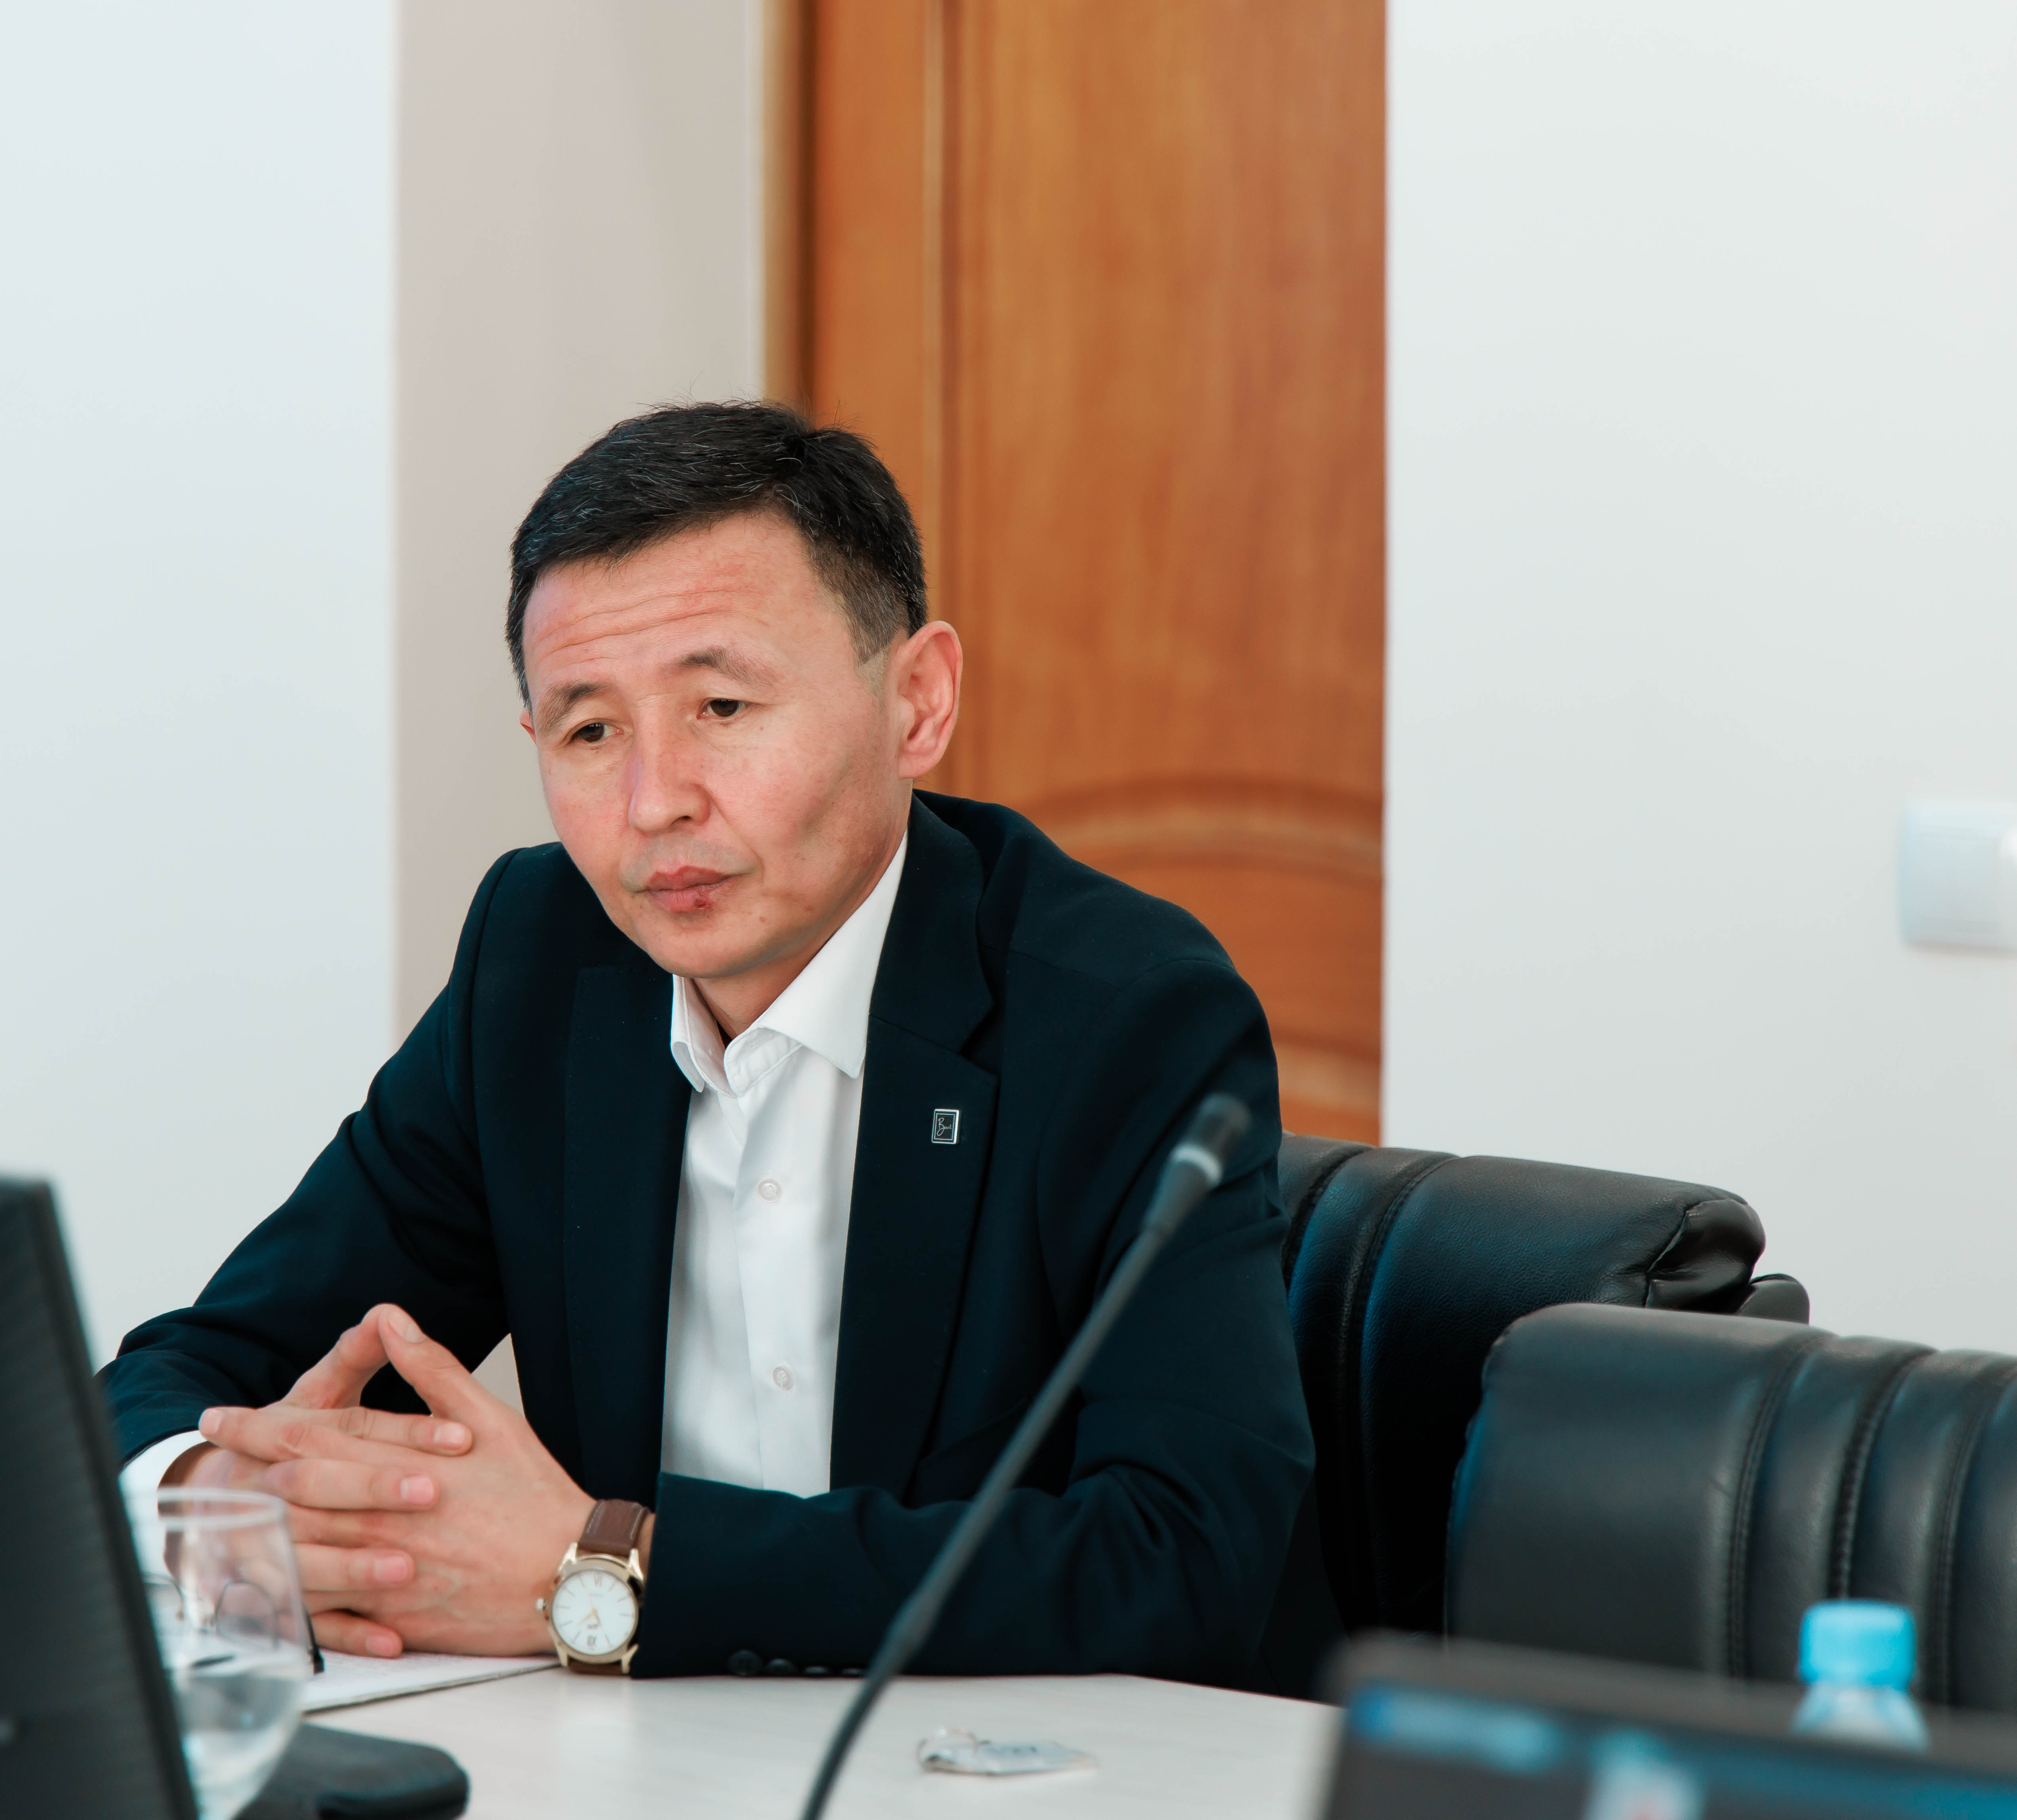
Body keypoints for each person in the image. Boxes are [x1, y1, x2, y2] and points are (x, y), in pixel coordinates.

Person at [100, 401, 1311, 1680]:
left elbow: (1188, 1552)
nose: (653, 802)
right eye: (590, 730)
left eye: (722, 706)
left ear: (916, 701)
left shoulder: (1121, 1009)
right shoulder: (541, 963)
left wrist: (606, 1567)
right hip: (635, 1754)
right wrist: (225, 1497)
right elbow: (196, 1368)